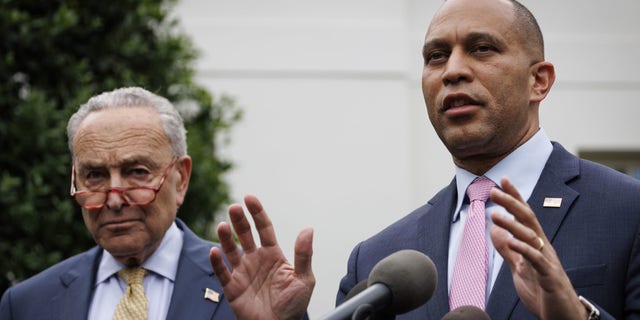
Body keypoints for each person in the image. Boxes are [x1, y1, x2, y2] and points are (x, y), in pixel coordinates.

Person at [209, 0, 640, 319]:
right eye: (436, 56)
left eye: (482, 48)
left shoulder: (627, 212)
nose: (452, 70)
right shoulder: (381, 260)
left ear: (538, 81)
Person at [0, 87, 237, 319]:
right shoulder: (27, 304)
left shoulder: (246, 287)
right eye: (95, 175)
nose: (114, 200)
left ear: (181, 179)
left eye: (136, 172)